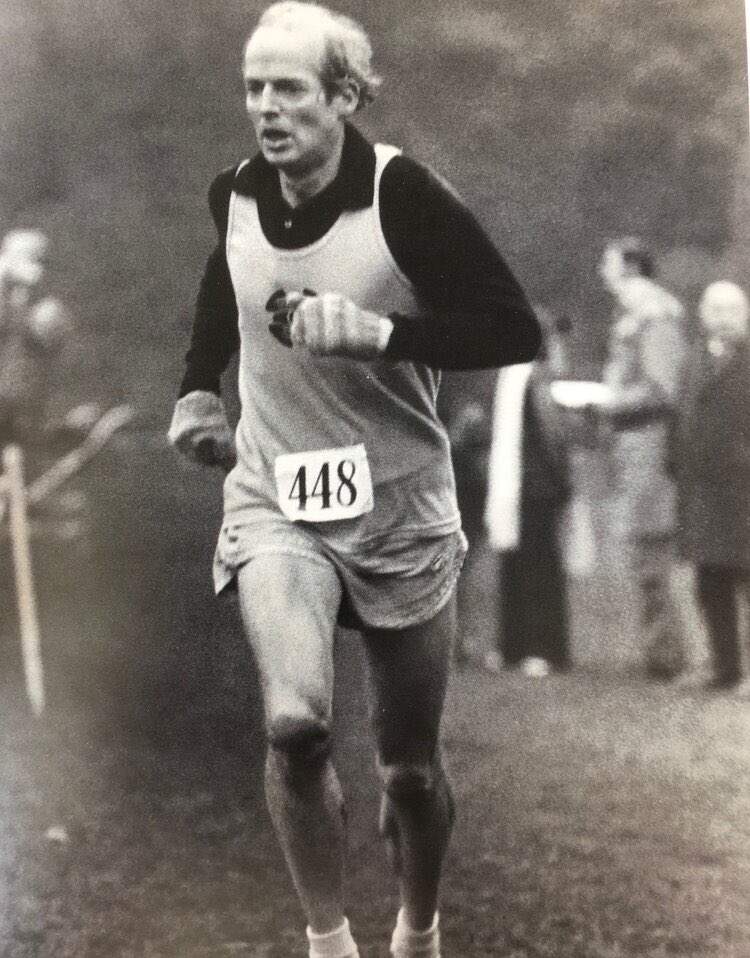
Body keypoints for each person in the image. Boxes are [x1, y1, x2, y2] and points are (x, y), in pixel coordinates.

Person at [167, 4, 540, 957]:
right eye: (254, 87)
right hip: (278, 494)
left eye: (288, 88)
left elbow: (512, 329)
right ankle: (328, 941)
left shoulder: (405, 198)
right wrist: (198, 395)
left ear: (343, 95)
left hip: (401, 501)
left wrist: (387, 336)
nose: (265, 108)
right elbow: (228, 289)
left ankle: (418, 926)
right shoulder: (236, 194)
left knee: (409, 770)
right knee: (295, 724)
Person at [597, 237, 687, 678]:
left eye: (609, 263)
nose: (603, 271)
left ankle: (668, 657)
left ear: (632, 268)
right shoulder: (635, 315)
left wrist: (608, 402)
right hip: (633, 447)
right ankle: (662, 653)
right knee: (642, 555)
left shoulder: (654, 317)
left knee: (652, 553)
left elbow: (662, 388)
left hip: (650, 448)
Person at [484, 309, 572, 676]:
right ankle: (514, 645)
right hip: (520, 486)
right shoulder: (518, 376)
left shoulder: (530, 377)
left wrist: (557, 482)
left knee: (536, 568)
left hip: (533, 487)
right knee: (517, 565)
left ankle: (543, 647)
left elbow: (552, 437)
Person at [673, 281, 750, 692]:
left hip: (744, 487)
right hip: (703, 488)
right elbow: (682, 415)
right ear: (703, 314)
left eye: (733, 309)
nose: (724, 317)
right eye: (716, 309)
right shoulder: (694, 359)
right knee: (711, 580)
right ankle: (726, 668)